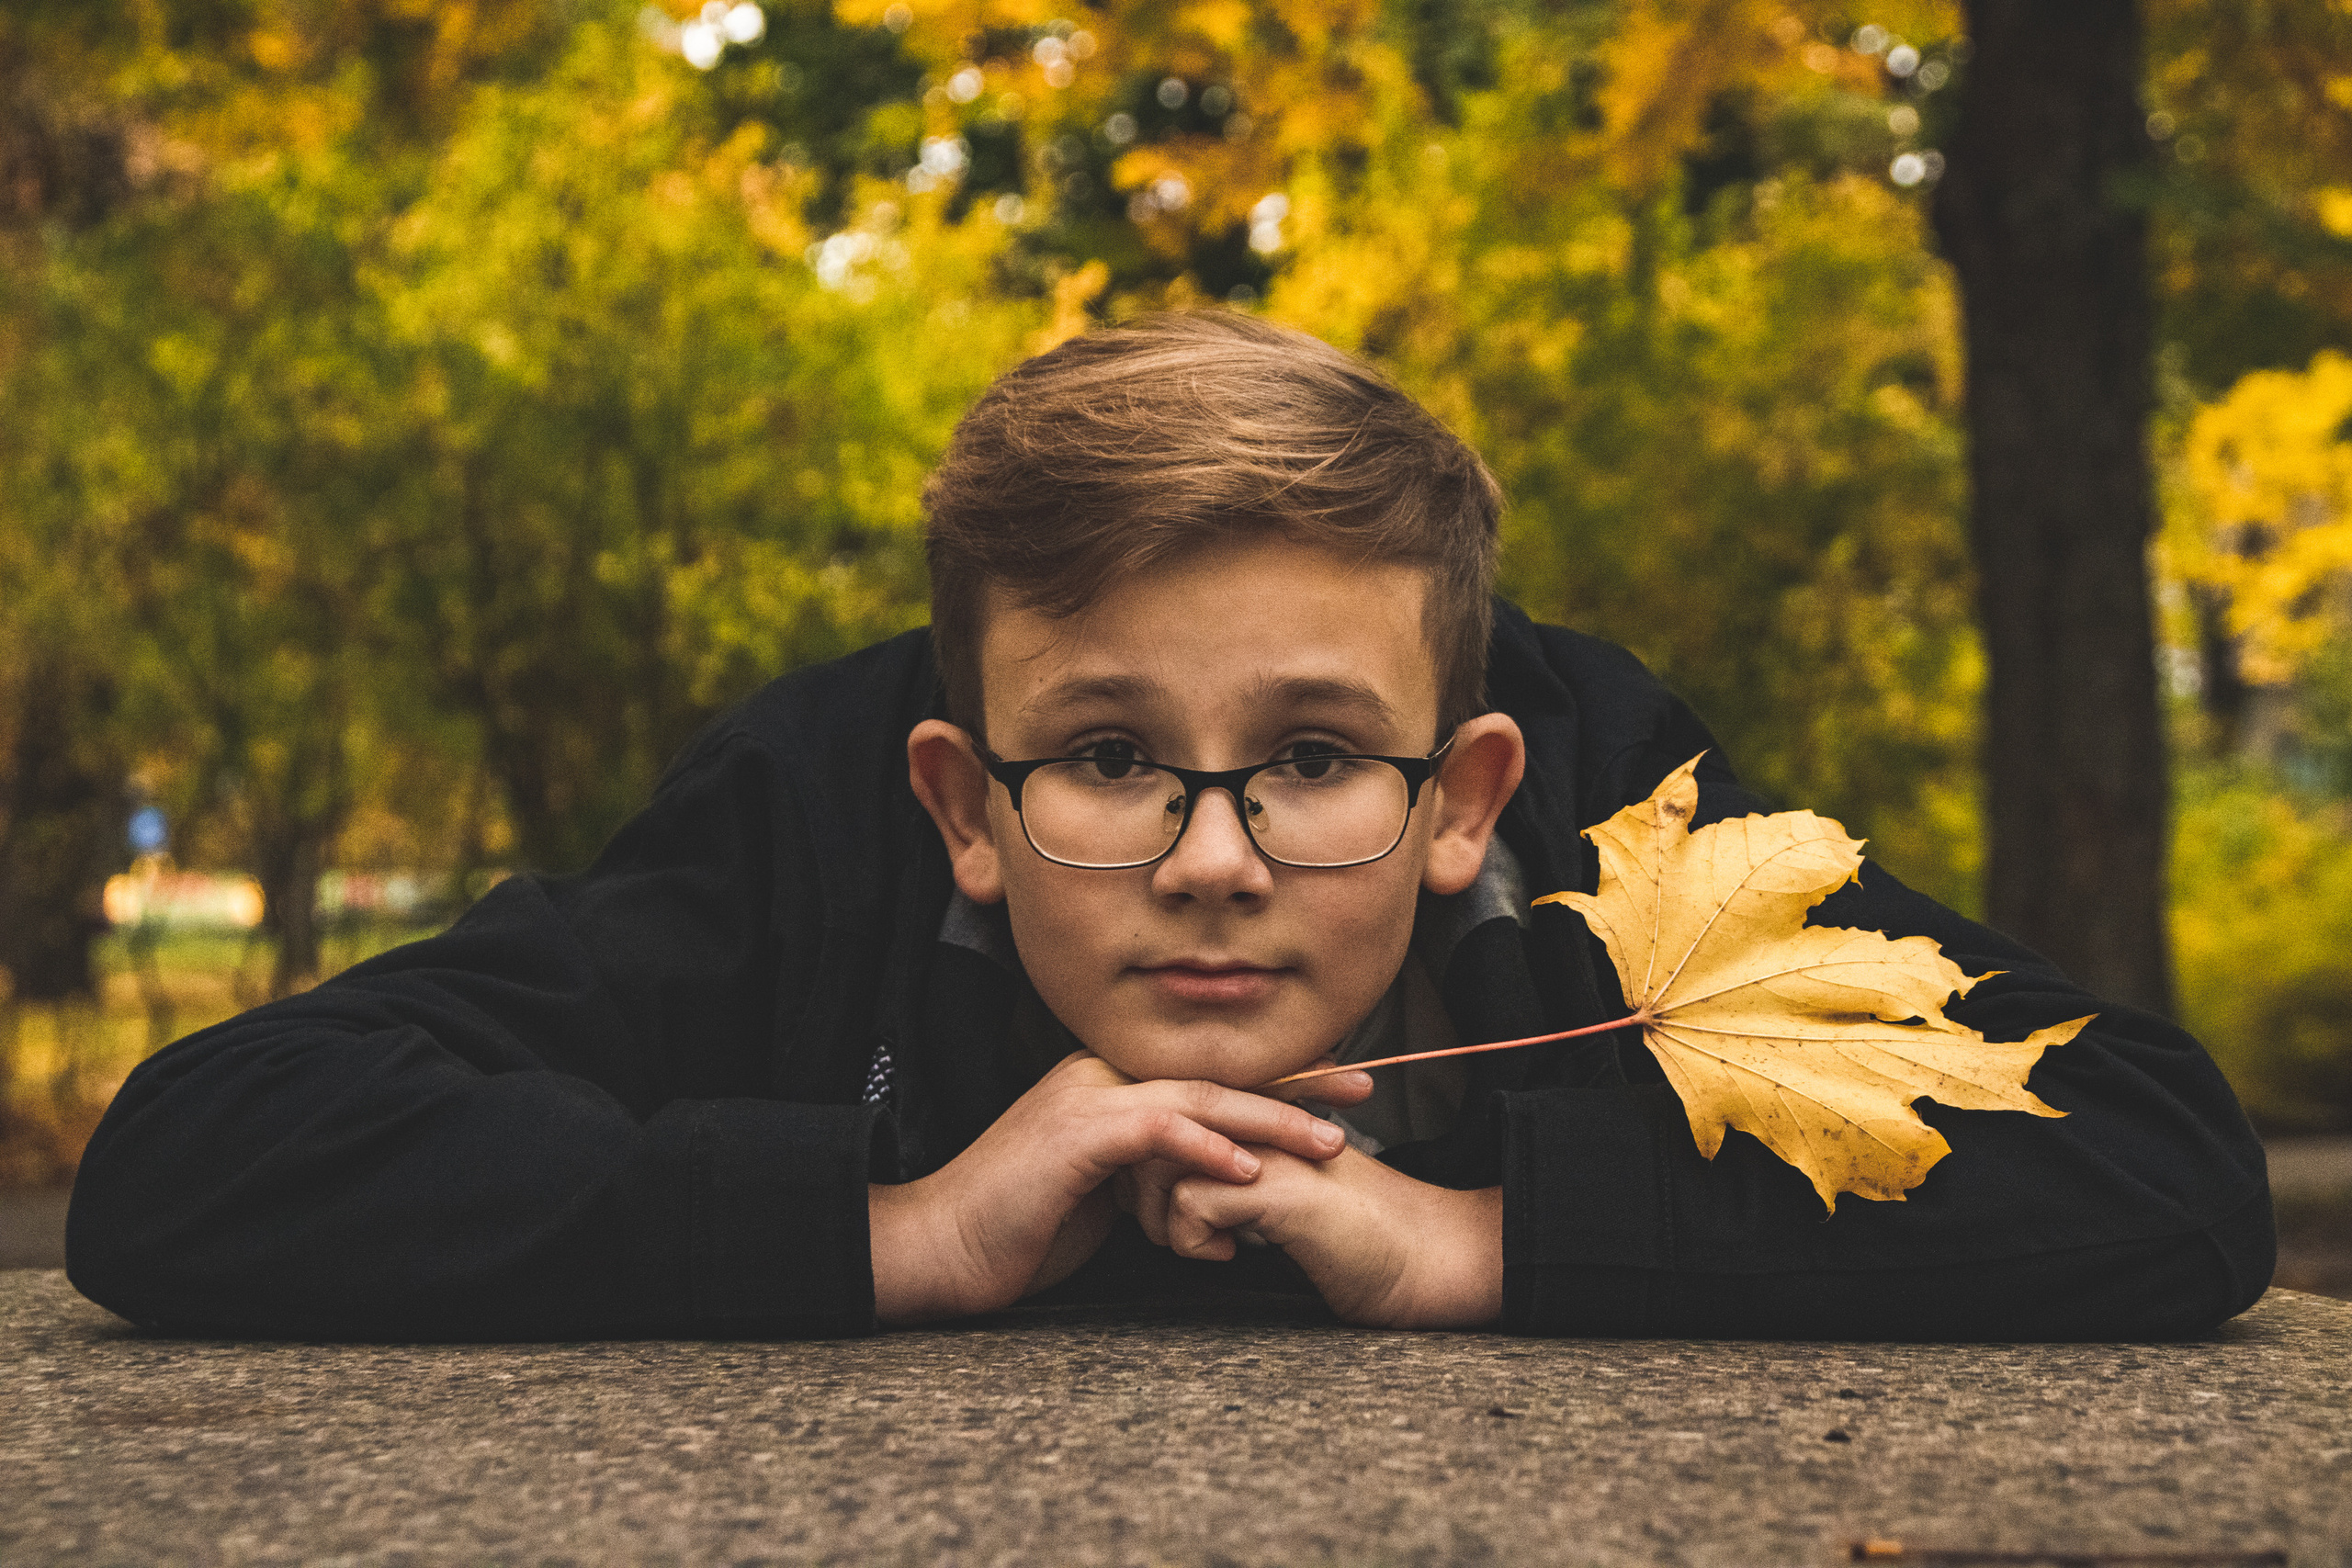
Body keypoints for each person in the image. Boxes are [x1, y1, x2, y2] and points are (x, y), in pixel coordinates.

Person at [66, 313, 2274, 1340]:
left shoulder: (1631, 821)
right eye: (1108, 760)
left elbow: (2157, 1164)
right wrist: (897, 1228)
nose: (1211, 859)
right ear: (960, 795)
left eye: (1314, 758)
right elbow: (201, 1154)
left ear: (1461, 791)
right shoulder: (809, 815)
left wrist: (1480, 1246)